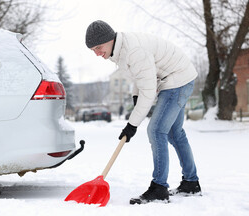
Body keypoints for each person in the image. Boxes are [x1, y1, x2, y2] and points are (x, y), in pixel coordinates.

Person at [85, 20, 201, 204]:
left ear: (110, 39)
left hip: (177, 79)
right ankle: (191, 182)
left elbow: (148, 89)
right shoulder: (121, 51)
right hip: (176, 77)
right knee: (174, 132)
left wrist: (131, 125)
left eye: (99, 47)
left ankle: (159, 188)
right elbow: (141, 78)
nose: (97, 53)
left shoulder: (133, 51)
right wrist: (135, 97)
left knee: (156, 131)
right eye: (93, 50)